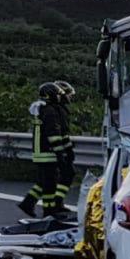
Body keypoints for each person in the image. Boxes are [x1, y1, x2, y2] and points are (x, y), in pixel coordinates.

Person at [18, 80, 76, 220]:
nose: (64, 97)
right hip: (47, 152)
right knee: (50, 182)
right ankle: (49, 209)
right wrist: (61, 153)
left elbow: (60, 133)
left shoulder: (46, 109)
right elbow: (55, 134)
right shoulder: (50, 111)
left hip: (44, 151)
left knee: (45, 181)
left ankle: (29, 203)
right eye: (61, 94)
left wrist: (66, 150)